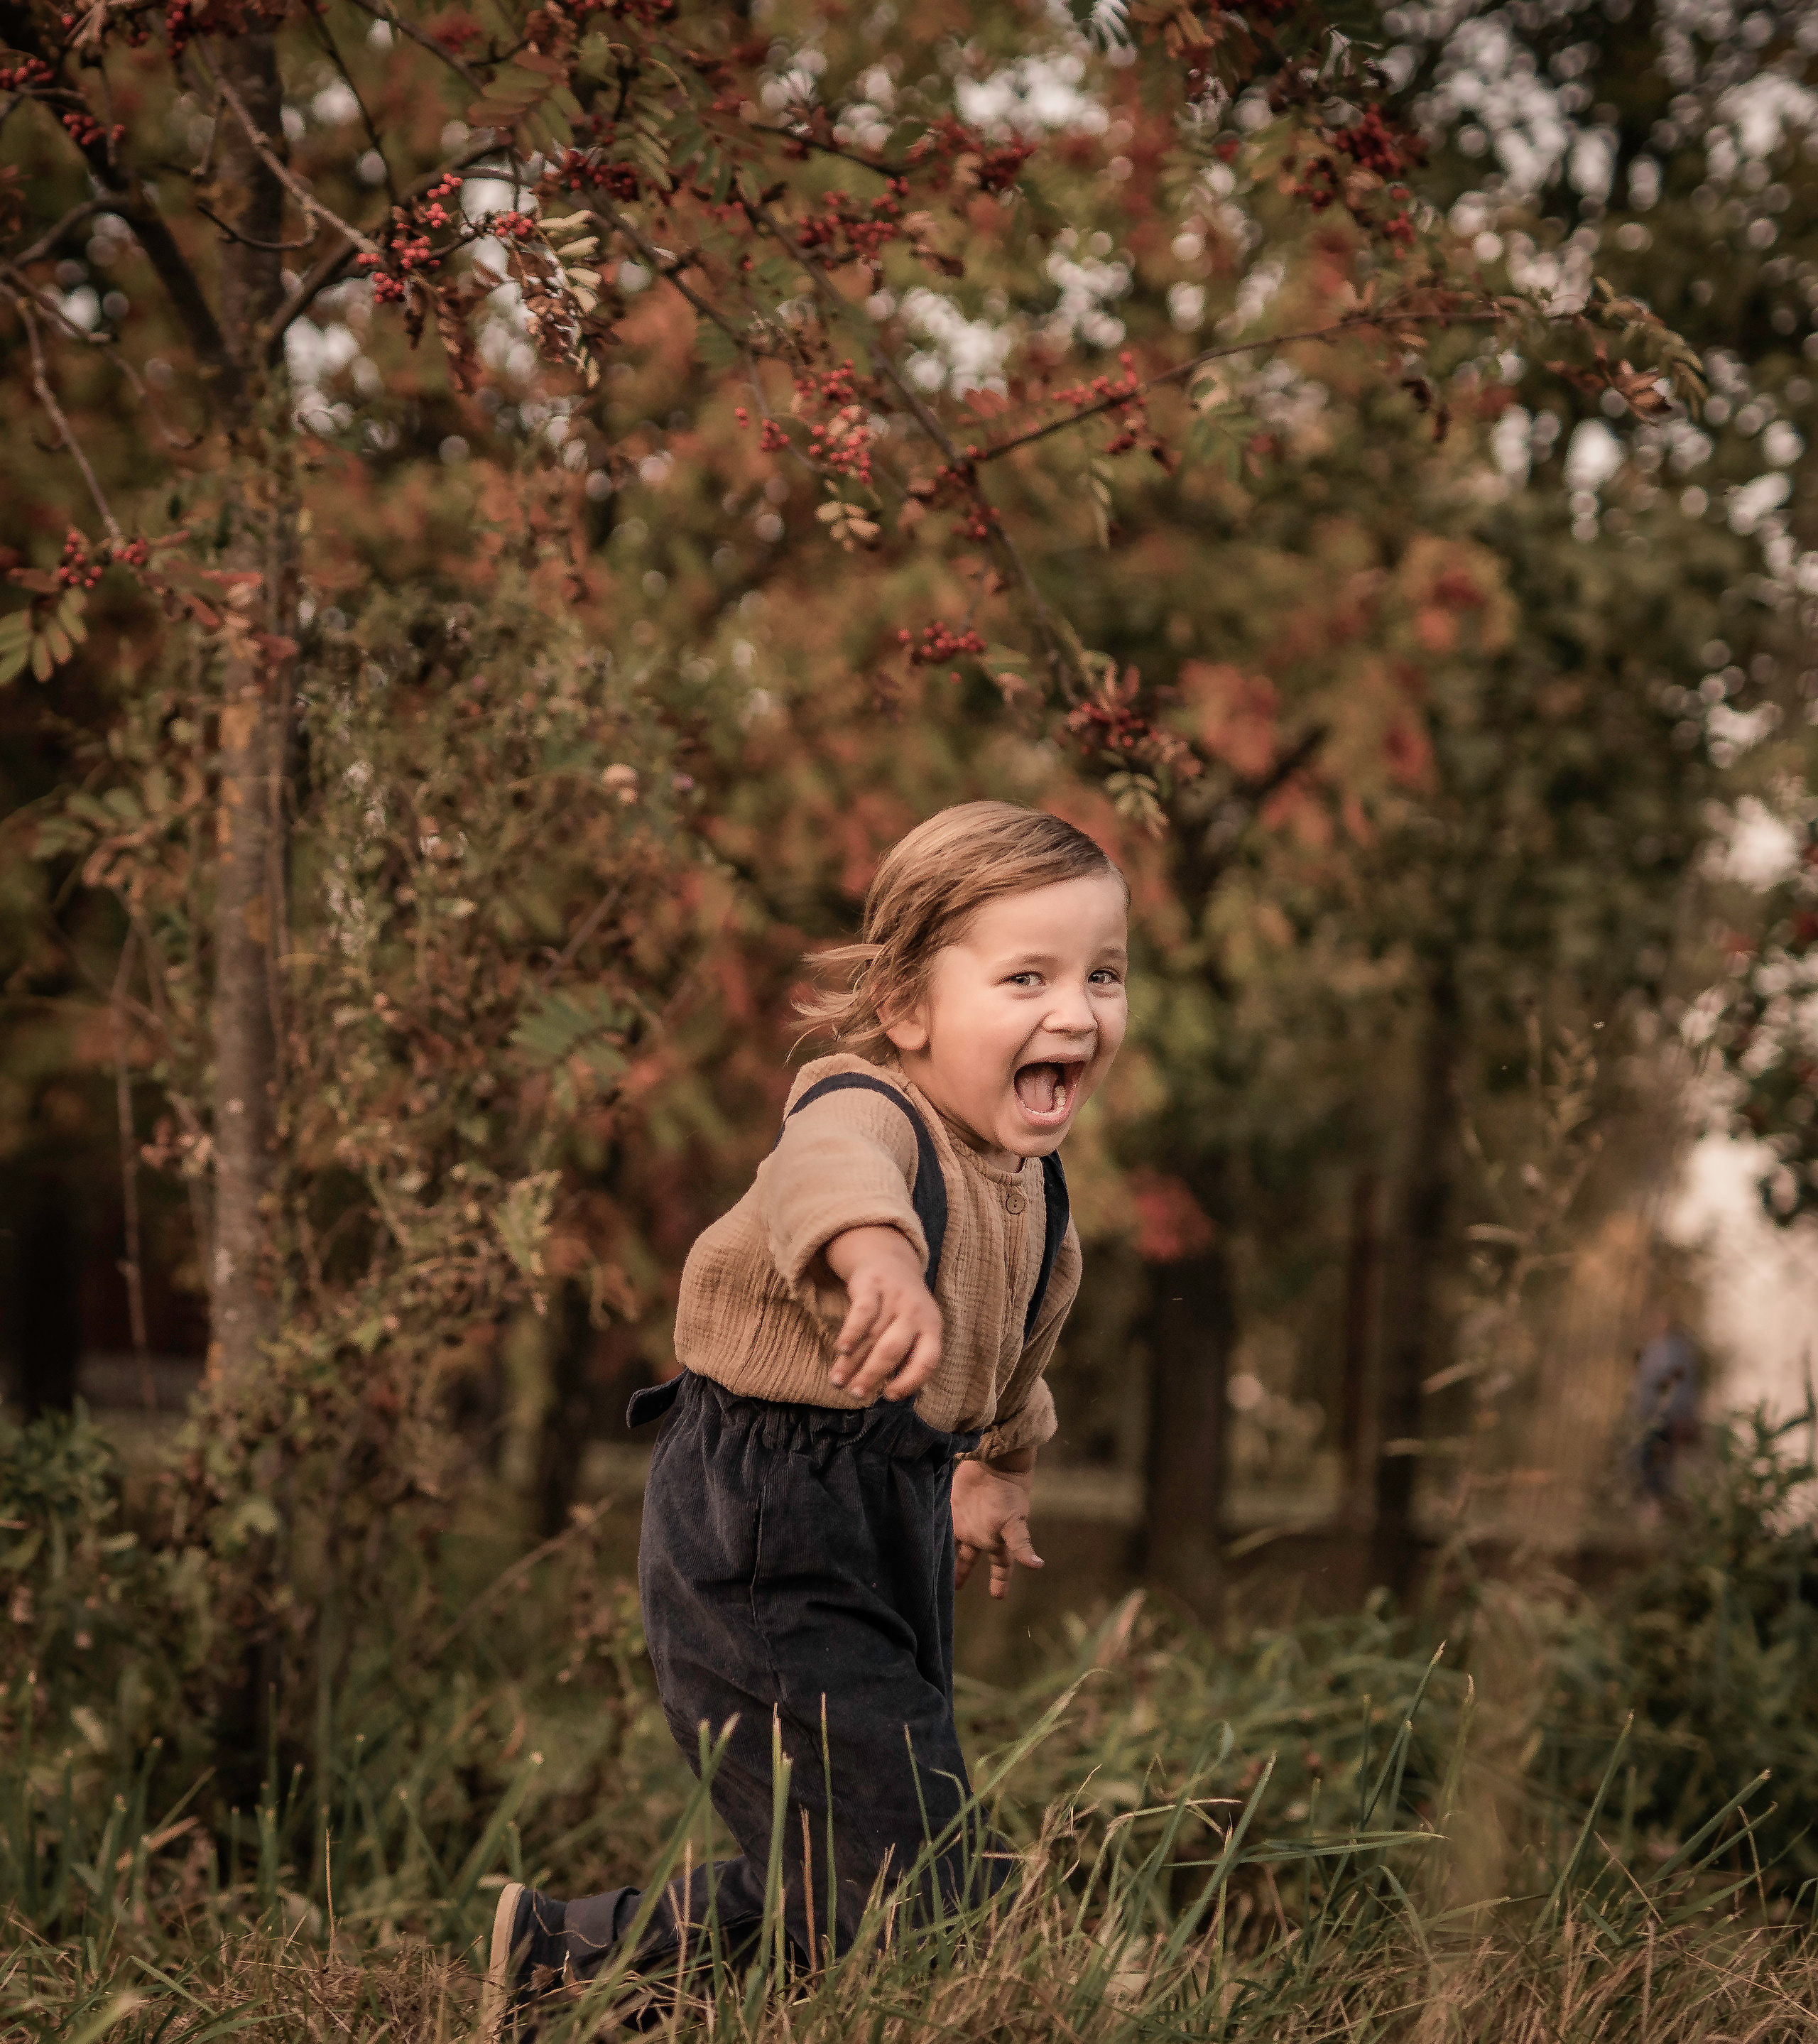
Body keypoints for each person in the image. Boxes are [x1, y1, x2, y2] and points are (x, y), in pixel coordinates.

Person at [478, 801, 1130, 2035]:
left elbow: (1018, 1350)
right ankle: (588, 1962)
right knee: (899, 1852)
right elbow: (823, 1177)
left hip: (897, 1509)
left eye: (1104, 974)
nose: (1078, 1011)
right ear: (907, 1006)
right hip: (765, 1513)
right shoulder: (865, 1106)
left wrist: (1001, 1467)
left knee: (879, 1834)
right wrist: (879, 1261)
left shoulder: (1041, 1194)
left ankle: (561, 1958)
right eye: (1028, 977)